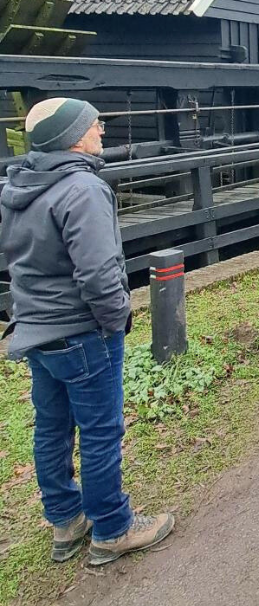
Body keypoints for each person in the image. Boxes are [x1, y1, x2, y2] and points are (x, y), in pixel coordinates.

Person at [0, 97, 175, 566]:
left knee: (52, 427)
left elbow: (15, 262)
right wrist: (117, 319)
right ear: (71, 136)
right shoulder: (82, 188)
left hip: (36, 330)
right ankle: (113, 528)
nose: (100, 127)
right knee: (100, 430)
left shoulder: (18, 185)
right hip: (81, 331)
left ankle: (65, 521)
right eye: (92, 122)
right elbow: (98, 272)